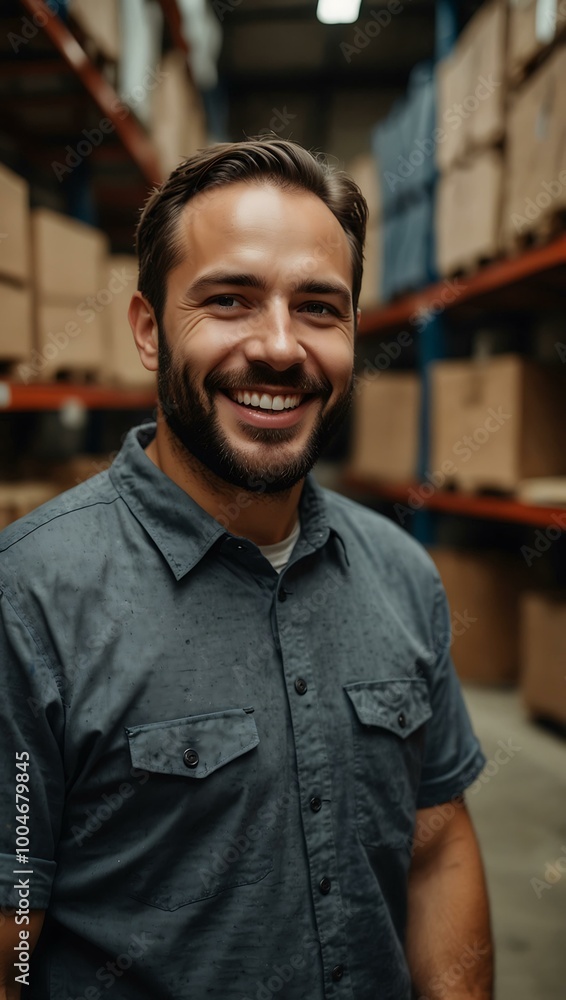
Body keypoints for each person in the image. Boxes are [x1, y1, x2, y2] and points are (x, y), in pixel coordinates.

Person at [0, 137, 493, 1000]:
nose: (278, 348)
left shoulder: (404, 576)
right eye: (229, 300)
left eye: (318, 308)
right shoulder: (30, 599)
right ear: (150, 331)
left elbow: (438, 847)